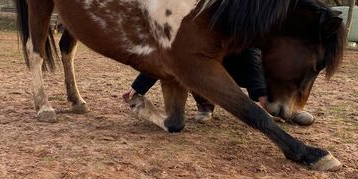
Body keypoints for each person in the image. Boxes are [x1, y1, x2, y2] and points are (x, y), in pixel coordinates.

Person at [122, 48, 315, 126]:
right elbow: (169, 56)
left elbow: (252, 52)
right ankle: (205, 105)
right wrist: (138, 86)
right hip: (209, 70)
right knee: (190, 71)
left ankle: (288, 110)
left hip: (240, 65)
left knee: (271, 74)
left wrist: (260, 93)